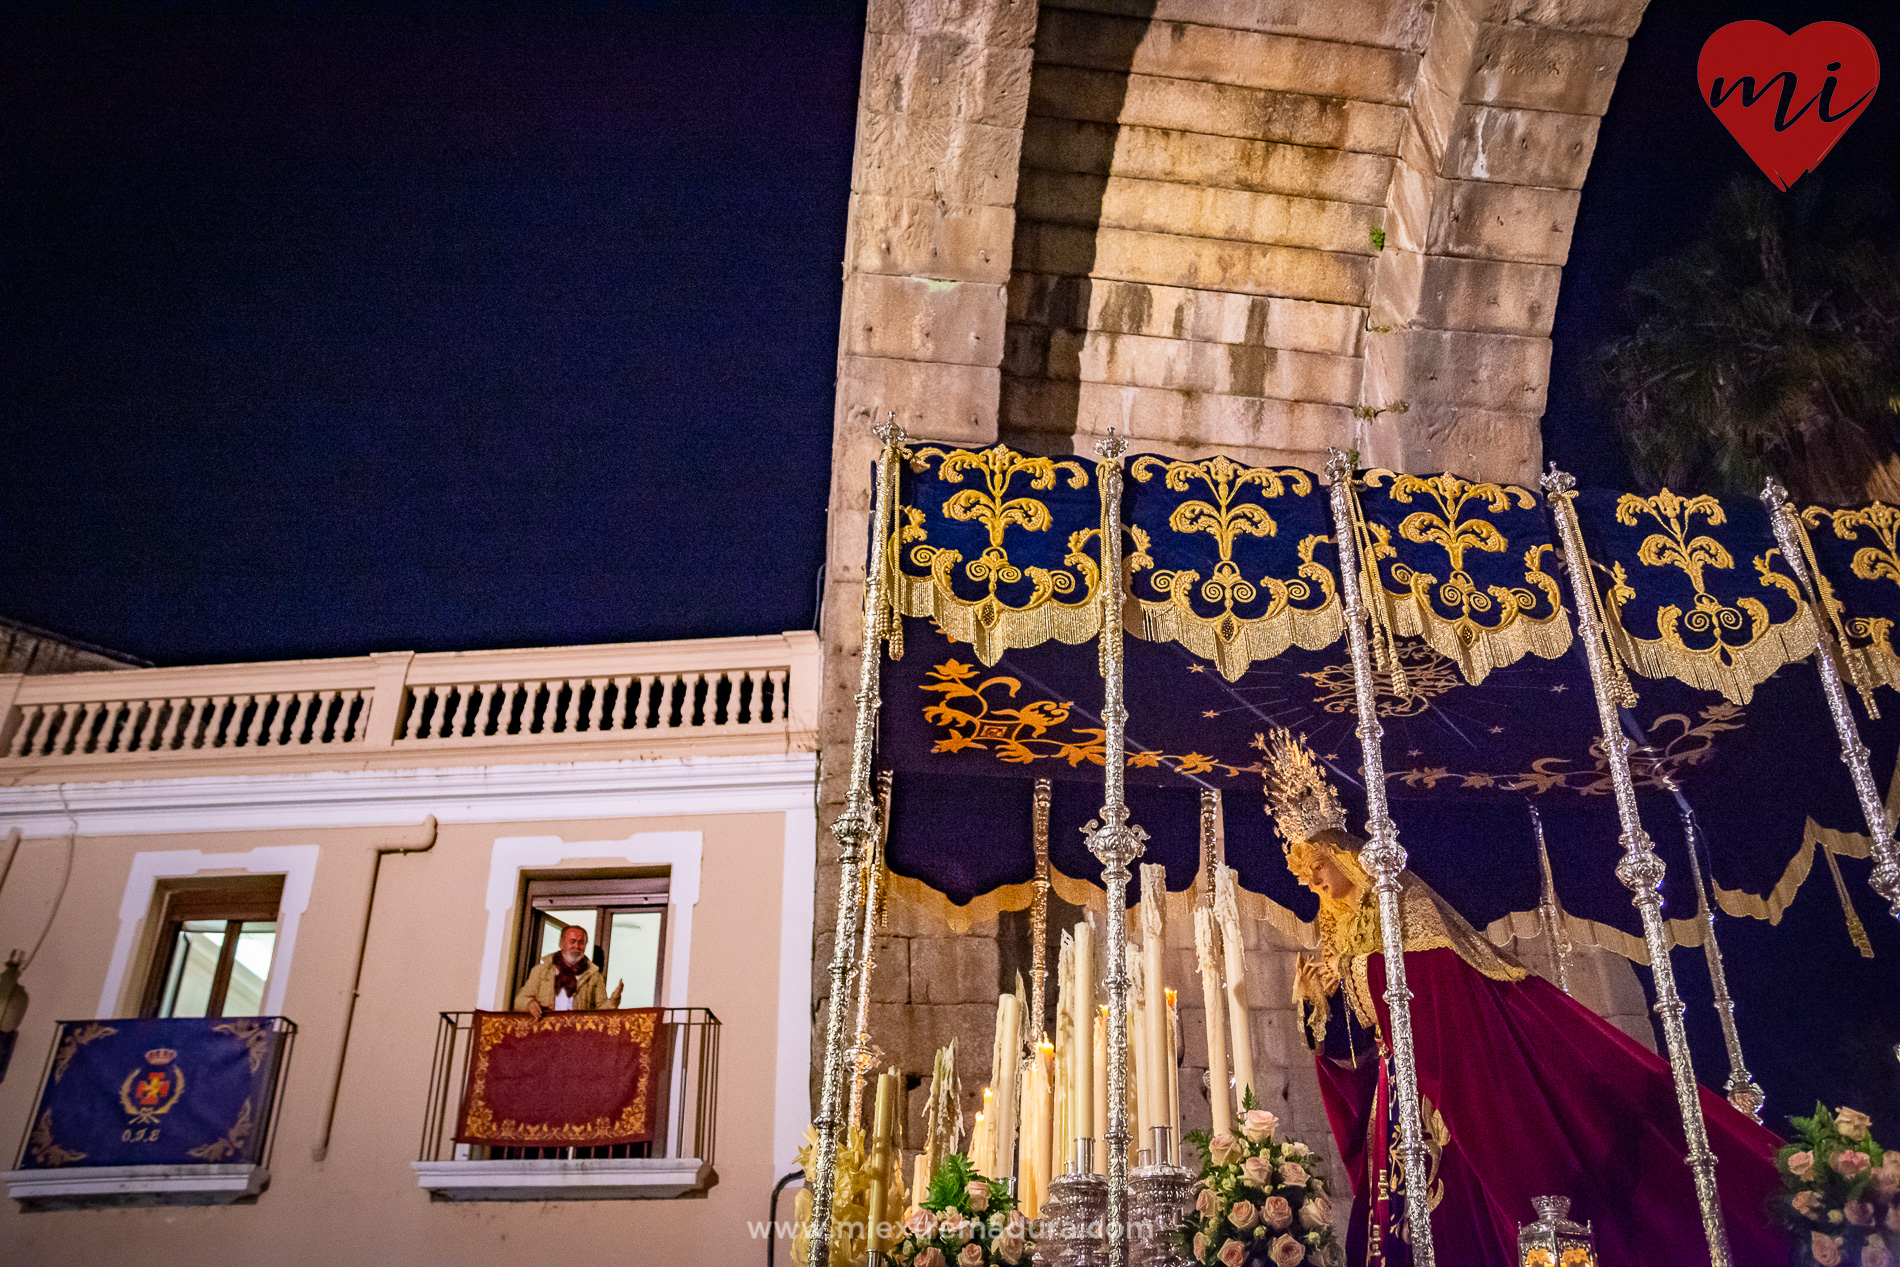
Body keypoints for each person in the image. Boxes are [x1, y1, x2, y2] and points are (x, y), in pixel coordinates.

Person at [1258, 726, 1785, 1267]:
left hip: (1447, 1082)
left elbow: (1435, 979)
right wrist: (1315, 1004)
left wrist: (1357, 974)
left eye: (1317, 867)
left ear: (1343, 857)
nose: (1312, 881)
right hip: (1394, 1098)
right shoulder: (1332, 932)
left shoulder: (1402, 900)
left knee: (1466, 1204)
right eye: (1304, 872)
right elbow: (1355, 1044)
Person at [514, 924, 624, 1018]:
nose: (577, 946)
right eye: (572, 941)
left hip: (576, 1036)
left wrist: (614, 999)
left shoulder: (594, 976)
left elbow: (601, 1013)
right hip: (545, 1035)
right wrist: (529, 1003)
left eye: (581, 942)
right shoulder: (541, 971)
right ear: (561, 944)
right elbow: (519, 1000)